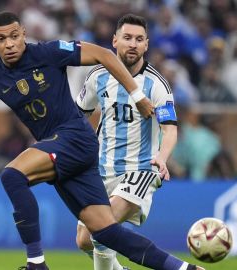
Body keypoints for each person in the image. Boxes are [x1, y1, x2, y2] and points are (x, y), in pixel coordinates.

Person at [0, 11, 204, 270]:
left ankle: (36, 264)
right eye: (1, 39)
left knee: (12, 176)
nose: (9, 44)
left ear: (23, 34)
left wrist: (136, 96)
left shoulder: (48, 52)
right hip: (75, 152)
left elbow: (103, 54)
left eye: (14, 36)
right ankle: (184, 269)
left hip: (75, 138)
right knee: (104, 234)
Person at [75, 14, 179, 270]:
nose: (133, 44)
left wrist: (162, 157)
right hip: (100, 170)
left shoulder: (156, 85)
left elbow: (170, 129)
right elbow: (78, 116)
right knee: (84, 241)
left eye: (139, 39)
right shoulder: (97, 77)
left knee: (103, 229)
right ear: (114, 41)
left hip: (140, 169)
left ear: (146, 45)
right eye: (127, 38)